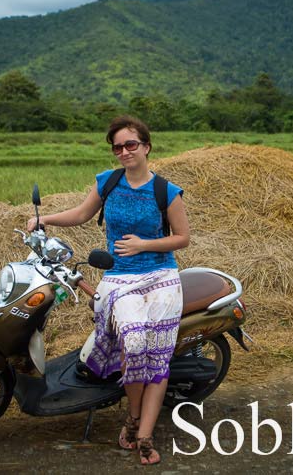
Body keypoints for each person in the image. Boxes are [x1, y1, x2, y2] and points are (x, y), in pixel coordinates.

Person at [25, 115, 189, 466]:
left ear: (146, 146)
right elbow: (82, 214)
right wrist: (45, 220)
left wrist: (145, 244)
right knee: (133, 345)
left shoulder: (167, 191)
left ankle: (144, 434)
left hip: (161, 277)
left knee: (156, 354)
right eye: (118, 146)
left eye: (131, 144)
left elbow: (182, 238)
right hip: (118, 278)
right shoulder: (108, 182)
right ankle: (132, 415)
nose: (124, 151)